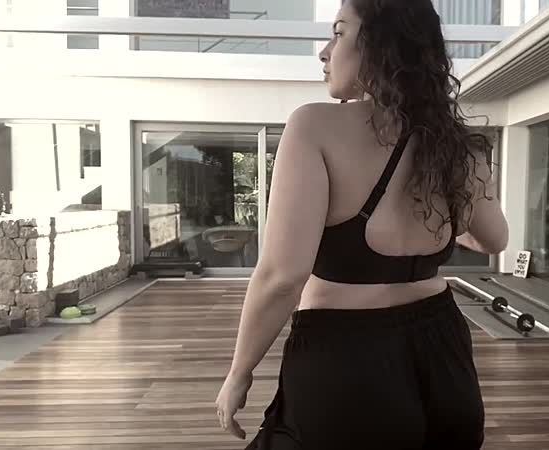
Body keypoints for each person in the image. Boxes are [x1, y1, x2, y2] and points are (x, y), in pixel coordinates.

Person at [215, 0, 509, 448]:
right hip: (444, 355)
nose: (324, 51)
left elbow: (281, 277)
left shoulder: (314, 126)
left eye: (338, 33)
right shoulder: (459, 146)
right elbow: (495, 238)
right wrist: (440, 220)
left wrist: (240, 372)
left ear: (379, 45)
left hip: (348, 363)